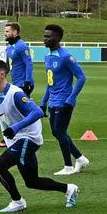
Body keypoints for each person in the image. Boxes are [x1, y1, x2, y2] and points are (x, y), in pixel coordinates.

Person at [0, 60, 78, 212]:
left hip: (28, 138)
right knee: (32, 182)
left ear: (2, 75)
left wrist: (15, 128)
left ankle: (17, 202)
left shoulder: (16, 94)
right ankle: (69, 189)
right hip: (16, 139)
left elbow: (38, 112)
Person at [41, 24, 90, 176]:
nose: (45, 39)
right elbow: (50, 82)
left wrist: (70, 99)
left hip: (64, 101)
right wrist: (43, 102)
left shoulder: (66, 57)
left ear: (57, 38)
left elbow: (81, 77)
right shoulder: (47, 56)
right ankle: (80, 158)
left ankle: (68, 166)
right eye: (44, 36)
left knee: (59, 131)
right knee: (57, 133)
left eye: (48, 36)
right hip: (53, 100)